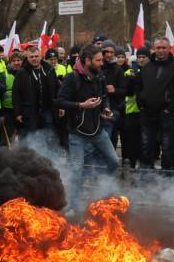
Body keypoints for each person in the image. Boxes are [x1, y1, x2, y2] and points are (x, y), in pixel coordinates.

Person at [56, 45, 119, 213]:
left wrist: (105, 108)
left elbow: (104, 97)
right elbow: (60, 101)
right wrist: (81, 105)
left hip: (98, 130)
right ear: (87, 60)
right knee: (76, 170)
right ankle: (73, 205)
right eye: (98, 60)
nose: (101, 63)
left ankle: (104, 191)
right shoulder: (72, 78)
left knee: (114, 162)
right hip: (77, 133)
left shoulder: (100, 76)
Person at [136, 37, 174, 171]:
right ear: (153, 49)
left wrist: (170, 108)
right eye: (158, 48)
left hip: (167, 114)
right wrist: (141, 104)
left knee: (167, 146)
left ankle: (167, 175)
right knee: (146, 145)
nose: (161, 50)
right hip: (147, 114)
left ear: (169, 49)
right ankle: (146, 174)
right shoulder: (147, 66)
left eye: (164, 48)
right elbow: (139, 87)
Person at [12, 46, 59, 138]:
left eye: (36, 56)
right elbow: (16, 94)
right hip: (30, 111)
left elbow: (57, 89)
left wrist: (60, 107)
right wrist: (18, 112)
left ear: (41, 56)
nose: (34, 59)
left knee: (50, 137)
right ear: (27, 58)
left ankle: (49, 153)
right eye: (31, 57)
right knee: (32, 137)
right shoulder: (22, 73)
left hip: (48, 110)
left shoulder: (49, 70)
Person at [120, 47, 149, 169]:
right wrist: (132, 80)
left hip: (146, 112)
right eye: (139, 58)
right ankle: (132, 165)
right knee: (132, 142)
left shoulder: (150, 72)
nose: (141, 60)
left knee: (146, 142)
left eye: (143, 57)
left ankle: (144, 165)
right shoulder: (129, 73)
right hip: (131, 112)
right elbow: (127, 92)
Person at [99, 40, 125, 145]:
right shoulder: (97, 67)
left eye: (112, 52)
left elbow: (124, 90)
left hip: (113, 107)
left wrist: (115, 90)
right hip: (97, 107)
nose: (109, 54)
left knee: (111, 137)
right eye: (107, 52)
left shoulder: (118, 70)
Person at [0, 52, 22, 147]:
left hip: (22, 110)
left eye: (18, 60)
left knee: (23, 136)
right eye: (14, 61)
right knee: (8, 137)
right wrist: (2, 113)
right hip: (8, 111)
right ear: (10, 62)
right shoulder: (4, 75)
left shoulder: (26, 73)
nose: (16, 63)